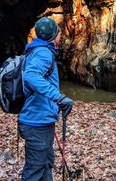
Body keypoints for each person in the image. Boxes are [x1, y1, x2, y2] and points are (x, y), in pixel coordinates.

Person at [18, 17, 73, 181]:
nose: (61, 35)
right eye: (59, 32)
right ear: (54, 35)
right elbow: (31, 76)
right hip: (36, 123)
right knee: (34, 169)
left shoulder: (38, 50)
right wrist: (59, 97)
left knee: (45, 163)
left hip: (40, 120)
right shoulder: (43, 53)